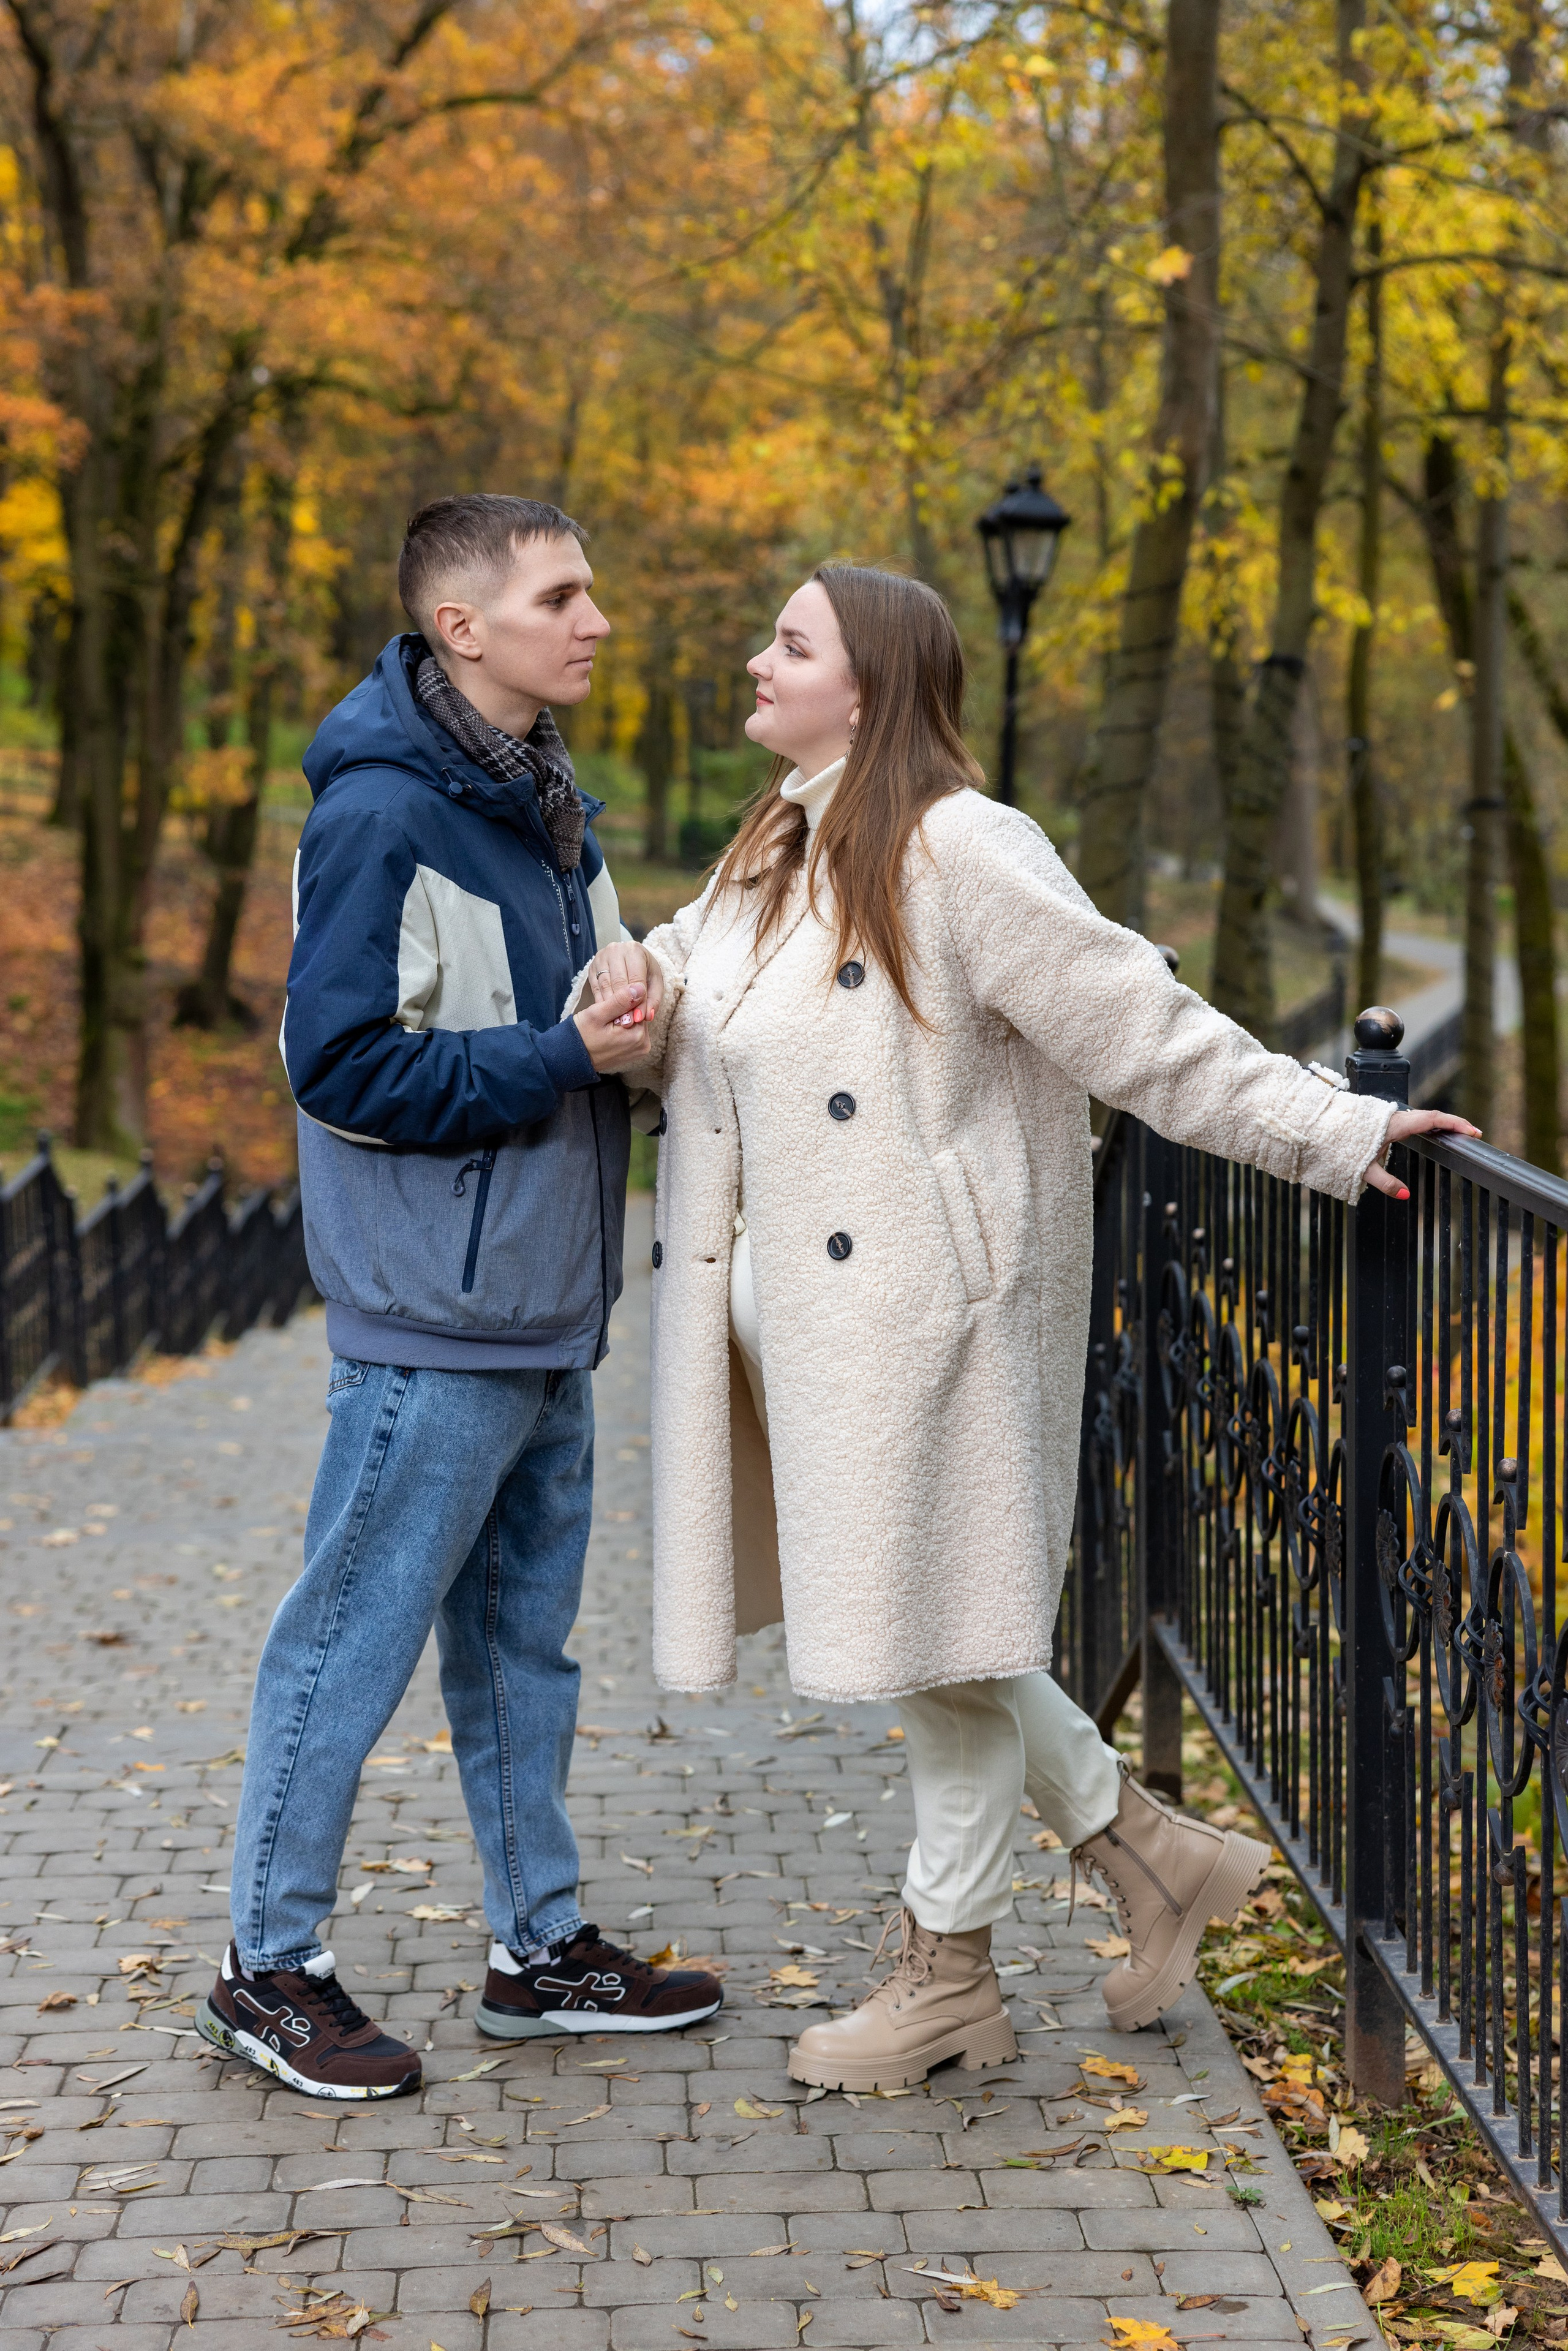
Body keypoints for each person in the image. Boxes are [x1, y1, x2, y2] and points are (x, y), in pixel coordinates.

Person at [579, 561, 1476, 2094]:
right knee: (940, 1631)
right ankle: (1148, 1853)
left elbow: (1144, 1025)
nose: (755, 656)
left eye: (787, 642)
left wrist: (1334, 1132)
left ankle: (947, 1976)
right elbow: (694, 970)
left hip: (926, 1317)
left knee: (933, 1630)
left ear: (866, 682)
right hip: (798, 1326)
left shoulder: (960, 848)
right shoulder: (772, 846)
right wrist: (638, 986)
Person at [198, 494, 722, 2100]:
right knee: (341, 1647)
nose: (596, 620)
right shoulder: (383, 815)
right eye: (562, 595)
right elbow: (338, 1067)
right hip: (433, 1322)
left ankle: (536, 1946)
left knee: (520, 1654)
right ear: (463, 627)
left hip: (550, 1311)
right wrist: (568, 1054)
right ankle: (264, 1969)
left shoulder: (547, 807)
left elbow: (555, 1014)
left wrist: (627, 1001)